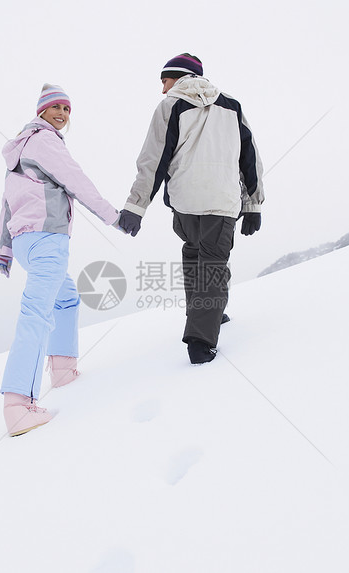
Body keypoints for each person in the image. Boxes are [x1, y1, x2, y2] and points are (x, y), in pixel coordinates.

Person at [118, 54, 264, 364]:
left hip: (186, 202)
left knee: (194, 253)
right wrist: (253, 204)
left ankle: (203, 323)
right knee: (213, 263)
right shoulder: (232, 106)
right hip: (222, 201)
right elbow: (249, 157)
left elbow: (152, 160)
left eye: (164, 81)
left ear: (179, 77)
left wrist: (136, 205)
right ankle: (203, 334)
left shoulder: (170, 106)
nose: (162, 89)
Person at [0, 83, 124, 436]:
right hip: (48, 239)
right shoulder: (45, 141)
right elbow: (76, 182)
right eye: (55, 107)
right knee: (36, 313)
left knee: (65, 298)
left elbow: (6, 205)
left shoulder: (19, 152)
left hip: (25, 242)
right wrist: (114, 217)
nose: (62, 114)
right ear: (41, 111)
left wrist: (5, 252)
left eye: (67, 109)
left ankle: (63, 371)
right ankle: (19, 404)